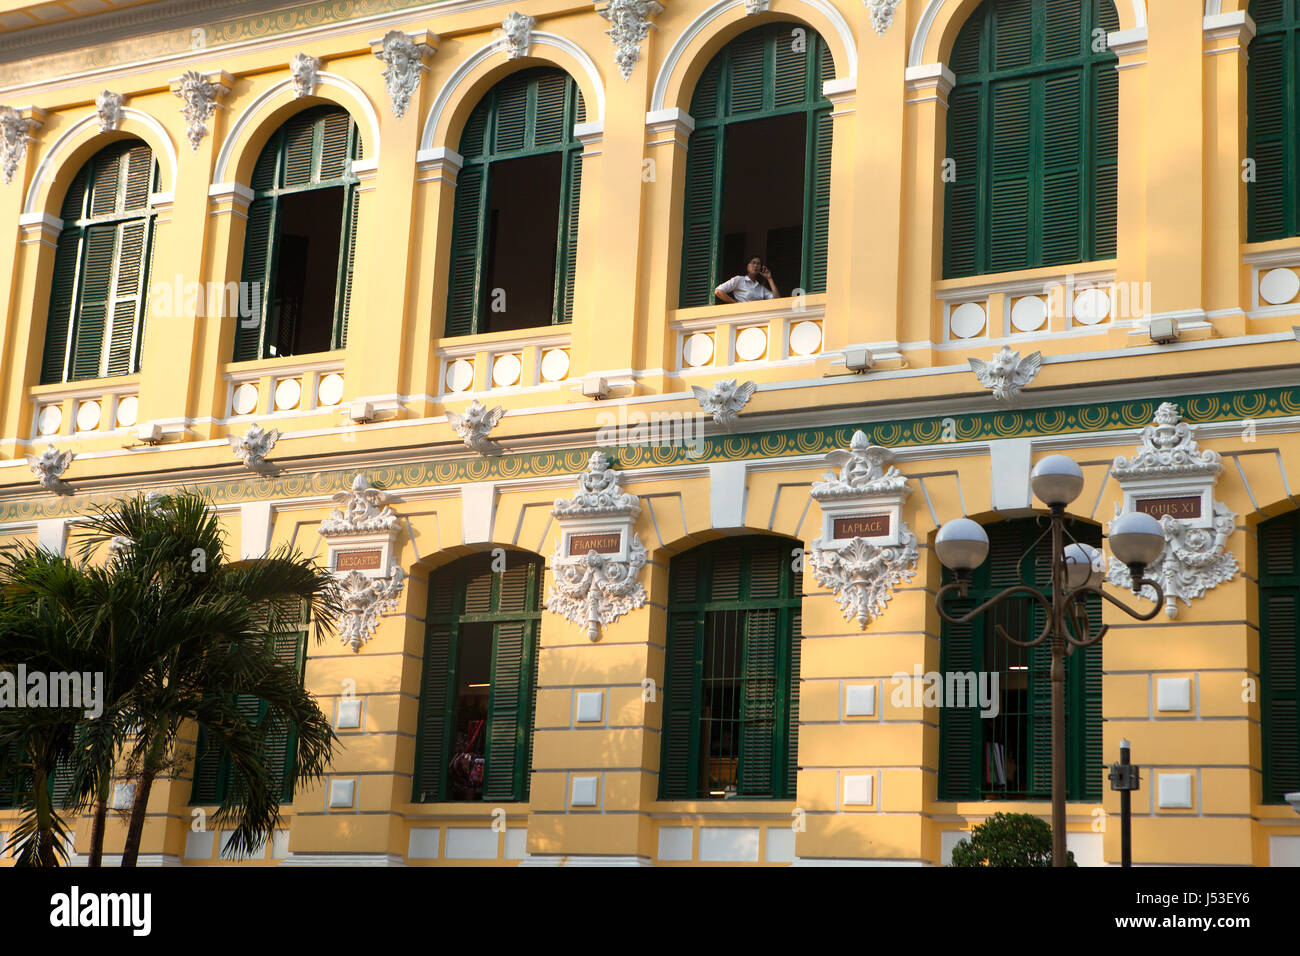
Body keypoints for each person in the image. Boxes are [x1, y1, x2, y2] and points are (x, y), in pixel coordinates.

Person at [715, 256, 779, 303]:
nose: (755, 265)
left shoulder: (761, 288)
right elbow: (718, 291)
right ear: (747, 265)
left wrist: (769, 278)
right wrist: (736, 304)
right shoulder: (739, 280)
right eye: (753, 262)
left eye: (758, 264)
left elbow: (777, 300)